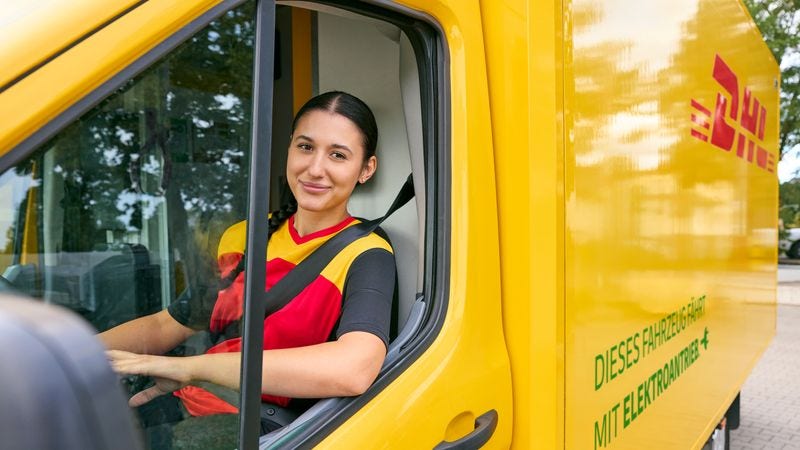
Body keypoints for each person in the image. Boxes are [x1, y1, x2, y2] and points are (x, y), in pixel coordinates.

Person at [101, 91, 396, 441]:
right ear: (289, 149)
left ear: (366, 169)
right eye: (305, 147)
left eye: (337, 155)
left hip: (251, 427)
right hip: (185, 402)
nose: (315, 168)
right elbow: (168, 323)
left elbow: (354, 369)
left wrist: (189, 368)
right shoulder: (243, 236)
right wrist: (67, 354)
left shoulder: (367, 254)